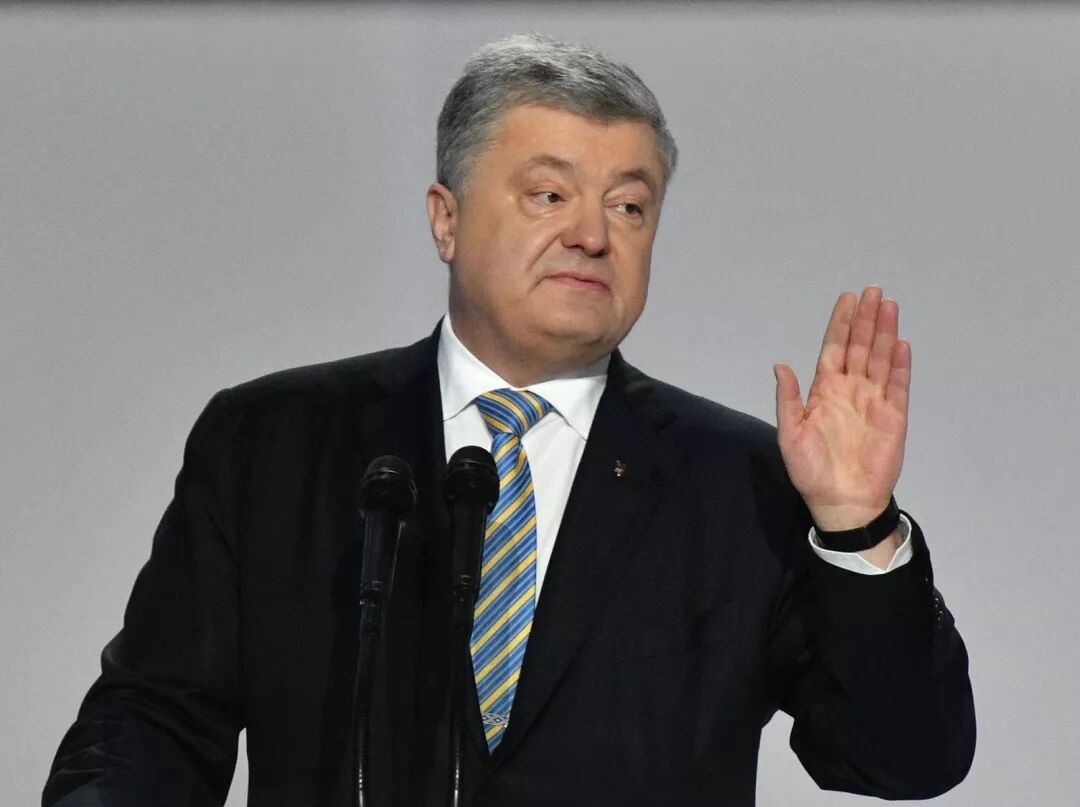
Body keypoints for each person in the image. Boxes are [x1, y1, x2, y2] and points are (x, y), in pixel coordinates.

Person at [43, 33, 975, 807]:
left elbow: (906, 758)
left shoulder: (742, 481)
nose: (593, 234)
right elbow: (155, 725)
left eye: (630, 205)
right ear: (445, 220)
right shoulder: (272, 444)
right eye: (549, 194)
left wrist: (856, 527)